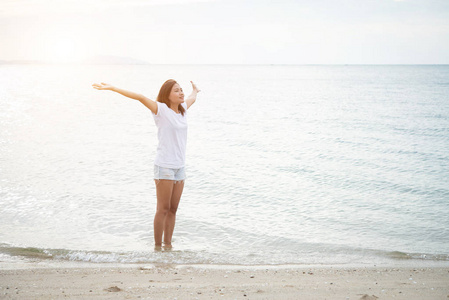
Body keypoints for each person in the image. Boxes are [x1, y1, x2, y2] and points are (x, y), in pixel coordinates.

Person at [92, 79, 200, 250]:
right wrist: (112, 88)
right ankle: (157, 247)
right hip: (164, 166)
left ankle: (168, 245)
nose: (181, 93)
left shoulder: (183, 110)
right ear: (167, 95)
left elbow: (192, 98)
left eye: (181, 90)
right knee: (163, 209)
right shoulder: (161, 110)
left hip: (180, 167)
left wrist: (195, 90)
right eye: (177, 91)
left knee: (173, 210)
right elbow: (139, 97)